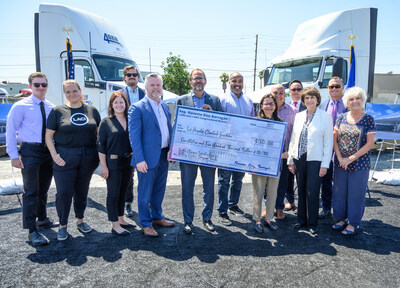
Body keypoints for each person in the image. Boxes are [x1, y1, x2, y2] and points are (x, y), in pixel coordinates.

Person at [45, 80, 101, 241]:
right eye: (68, 92)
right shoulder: (58, 111)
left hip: (88, 156)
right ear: (65, 94)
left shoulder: (92, 110)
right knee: (64, 193)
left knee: (82, 191)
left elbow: (98, 135)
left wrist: (99, 156)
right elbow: (48, 136)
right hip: (65, 157)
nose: (72, 94)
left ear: (80, 90)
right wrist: (55, 155)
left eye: (74, 91)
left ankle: (80, 220)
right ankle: (63, 225)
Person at [6, 72, 56, 245]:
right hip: (30, 151)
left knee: (43, 189)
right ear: (31, 86)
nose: (41, 88)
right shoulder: (20, 106)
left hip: (47, 152)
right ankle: (31, 229)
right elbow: (10, 132)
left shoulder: (51, 107)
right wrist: (13, 156)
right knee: (31, 191)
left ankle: (42, 219)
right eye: (37, 85)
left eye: (44, 84)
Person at [177, 68, 223, 234]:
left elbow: (223, 126)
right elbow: (178, 126)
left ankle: (207, 218)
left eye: (201, 78)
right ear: (190, 82)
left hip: (209, 152)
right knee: (187, 188)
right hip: (188, 152)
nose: (198, 81)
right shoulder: (181, 100)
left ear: (205, 81)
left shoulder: (215, 101)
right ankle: (188, 221)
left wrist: (212, 115)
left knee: (209, 187)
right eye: (195, 78)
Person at [128, 73, 173, 237]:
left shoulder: (165, 106)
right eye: (152, 85)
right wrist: (139, 159)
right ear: (145, 87)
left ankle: (157, 217)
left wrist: (171, 150)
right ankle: (145, 224)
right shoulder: (137, 107)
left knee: (159, 190)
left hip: (163, 155)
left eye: (158, 85)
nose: (156, 88)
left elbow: (168, 130)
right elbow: (134, 136)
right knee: (145, 192)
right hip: (146, 159)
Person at [288, 87, 333, 235]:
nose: (309, 100)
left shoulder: (325, 116)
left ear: (317, 99)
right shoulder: (299, 116)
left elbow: (328, 142)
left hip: (316, 160)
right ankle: (302, 220)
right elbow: (294, 139)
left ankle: (313, 223)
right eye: (306, 98)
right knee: (300, 190)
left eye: (312, 97)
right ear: (303, 100)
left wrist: (325, 164)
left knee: (312, 192)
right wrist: (290, 160)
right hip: (299, 158)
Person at [331, 87, 375, 236]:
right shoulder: (341, 117)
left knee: (356, 194)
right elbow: (334, 139)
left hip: (359, 164)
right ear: (347, 102)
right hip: (340, 163)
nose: (354, 101)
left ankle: (353, 223)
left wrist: (350, 159)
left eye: (358, 98)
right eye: (351, 99)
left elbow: (370, 144)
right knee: (339, 193)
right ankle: (341, 219)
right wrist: (339, 157)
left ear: (362, 100)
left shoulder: (368, 119)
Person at [217, 72, 254, 224]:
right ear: (229, 82)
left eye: (240, 81)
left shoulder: (249, 101)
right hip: (227, 146)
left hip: (243, 147)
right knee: (224, 179)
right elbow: (219, 123)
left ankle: (233, 205)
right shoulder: (222, 100)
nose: (237, 84)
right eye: (234, 81)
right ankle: (222, 210)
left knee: (238, 178)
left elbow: (252, 123)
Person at [98, 91, 135, 236]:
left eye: (122, 102)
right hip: (112, 163)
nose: (119, 105)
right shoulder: (106, 122)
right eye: (116, 102)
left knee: (123, 192)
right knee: (113, 194)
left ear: (126, 104)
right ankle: (114, 224)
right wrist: (104, 166)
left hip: (128, 162)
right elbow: (101, 146)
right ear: (111, 105)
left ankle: (121, 219)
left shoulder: (131, 120)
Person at [252, 94, 282, 233]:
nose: (269, 106)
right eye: (266, 103)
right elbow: (250, 143)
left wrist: (285, 153)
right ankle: (258, 220)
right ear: (261, 106)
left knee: (272, 193)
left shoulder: (280, 122)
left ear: (275, 106)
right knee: (258, 193)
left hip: (275, 164)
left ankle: (269, 218)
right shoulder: (255, 122)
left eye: (271, 103)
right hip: (259, 163)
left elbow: (284, 144)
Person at [318, 76, 347, 219]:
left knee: (341, 179)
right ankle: (326, 207)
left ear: (343, 87)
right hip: (326, 147)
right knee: (326, 178)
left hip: (344, 147)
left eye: (337, 86)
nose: (334, 89)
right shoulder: (322, 104)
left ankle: (341, 209)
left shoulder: (349, 104)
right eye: (331, 87)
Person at [120, 65, 145, 218]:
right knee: (128, 175)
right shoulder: (118, 95)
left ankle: (147, 202)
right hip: (125, 139)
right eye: (129, 75)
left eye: (134, 74)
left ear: (138, 76)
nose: (132, 77)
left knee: (146, 171)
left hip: (143, 138)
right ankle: (128, 203)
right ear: (125, 77)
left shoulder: (145, 93)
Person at [270, 84, 297, 220]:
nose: (278, 95)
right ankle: (267, 207)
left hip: (285, 153)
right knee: (267, 183)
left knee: (282, 183)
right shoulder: (266, 109)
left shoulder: (293, 111)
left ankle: (279, 208)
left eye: (281, 93)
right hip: (269, 154)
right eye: (276, 93)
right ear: (271, 93)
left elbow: (295, 134)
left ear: (285, 95)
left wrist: (291, 152)